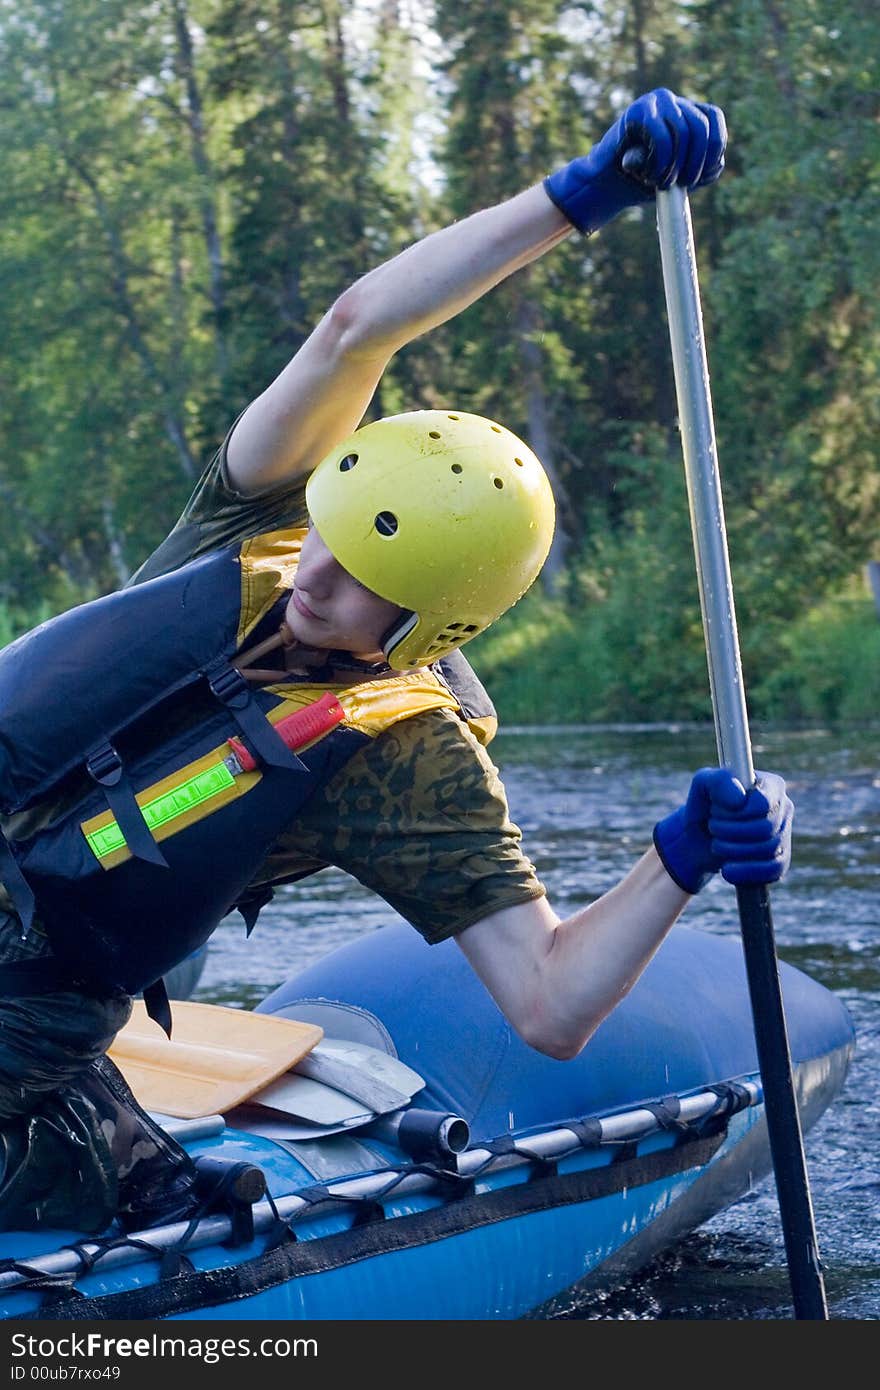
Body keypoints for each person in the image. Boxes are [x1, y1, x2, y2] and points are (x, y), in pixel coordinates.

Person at [0, 89, 794, 1237]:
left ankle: (86, 1144)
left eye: (359, 580)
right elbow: (355, 328)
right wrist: (574, 197)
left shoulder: (407, 758)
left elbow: (551, 1002)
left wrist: (679, 856)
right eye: (327, 530)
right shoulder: (263, 521)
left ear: (437, 625)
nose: (308, 576)